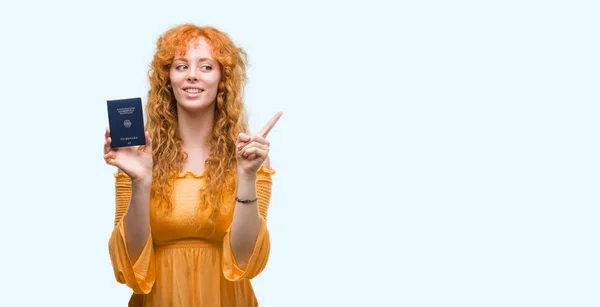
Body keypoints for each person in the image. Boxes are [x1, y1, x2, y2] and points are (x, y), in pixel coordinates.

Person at [103, 23, 282, 307]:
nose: (193, 76)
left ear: (223, 79)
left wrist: (246, 176)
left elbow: (245, 261)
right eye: (181, 66)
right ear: (167, 79)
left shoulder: (247, 156)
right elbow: (130, 268)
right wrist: (141, 182)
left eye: (207, 67)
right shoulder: (138, 156)